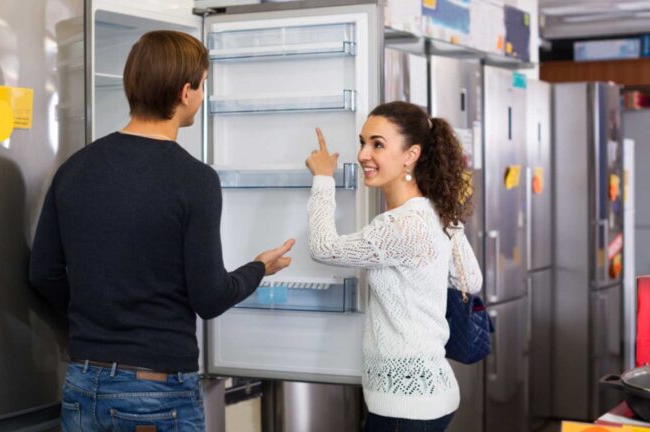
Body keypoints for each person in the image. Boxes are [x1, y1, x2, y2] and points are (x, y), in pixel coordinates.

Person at [29, 30, 294, 432]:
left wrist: (98, 319)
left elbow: (43, 273)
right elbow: (209, 296)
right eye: (203, 86)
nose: (203, 97)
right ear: (186, 92)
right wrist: (259, 268)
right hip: (155, 392)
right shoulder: (194, 180)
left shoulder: (75, 168)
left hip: (83, 383)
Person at [305, 101, 483, 432]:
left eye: (378, 144)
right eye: (363, 142)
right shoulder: (431, 213)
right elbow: (470, 280)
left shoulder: (400, 226)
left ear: (410, 155)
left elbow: (323, 248)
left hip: (405, 408)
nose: (362, 155)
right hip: (430, 396)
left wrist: (323, 180)